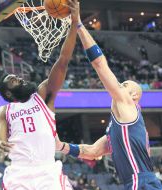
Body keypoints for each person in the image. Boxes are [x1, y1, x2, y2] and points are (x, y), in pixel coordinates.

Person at [57, 3, 162, 189]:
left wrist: (79, 25)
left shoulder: (129, 107)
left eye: (125, 85)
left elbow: (99, 64)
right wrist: (60, 146)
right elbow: (91, 151)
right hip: (135, 182)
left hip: (142, 182)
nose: (120, 86)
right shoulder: (116, 128)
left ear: (134, 96)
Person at [0, 0, 81, 189]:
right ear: (8, 92)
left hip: (47, 172)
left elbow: (63, 60)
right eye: (14, 80)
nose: (20, 79)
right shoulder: (5, 110)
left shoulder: (43, 95)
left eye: (18, 77)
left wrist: (74, 23)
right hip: (18, 173)